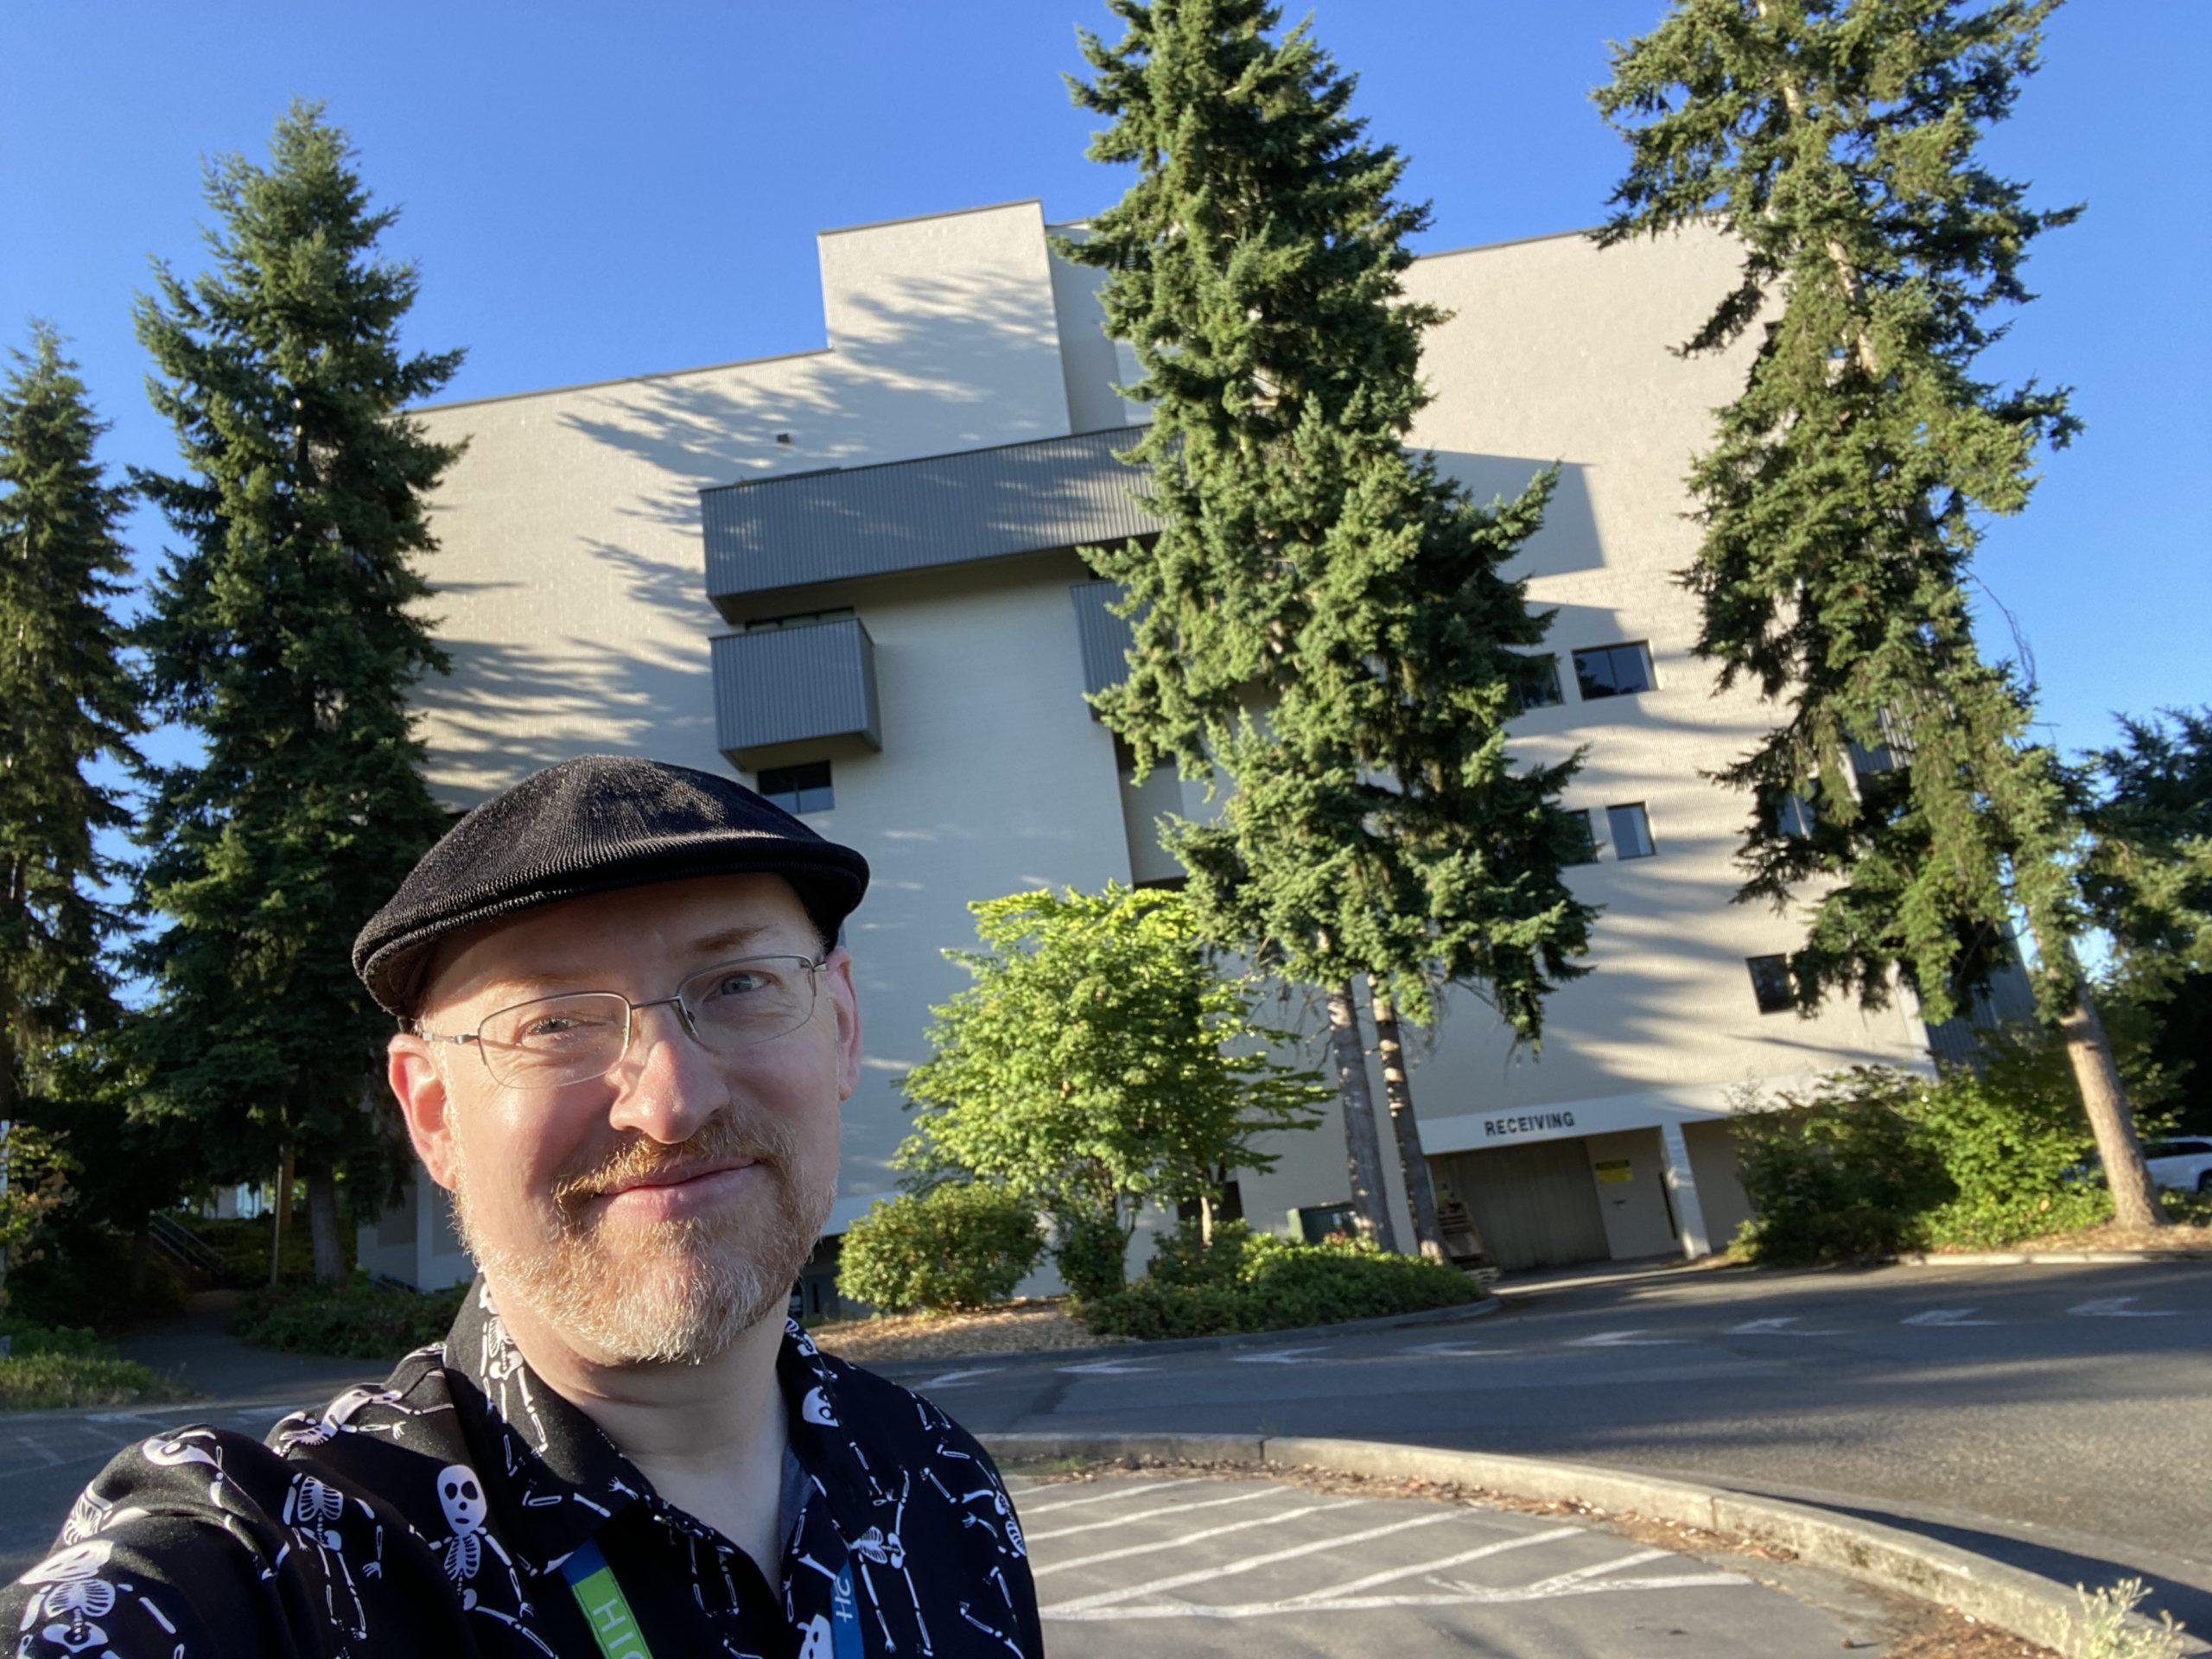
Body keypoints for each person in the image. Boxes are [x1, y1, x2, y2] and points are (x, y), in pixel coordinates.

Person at [2, 755, 1044, 1657]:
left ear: (843, 1026)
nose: (672, 1103)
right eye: (551, 1024)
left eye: (737, 984)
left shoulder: (943, 1484)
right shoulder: (299, 1566)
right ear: (433, 1113)